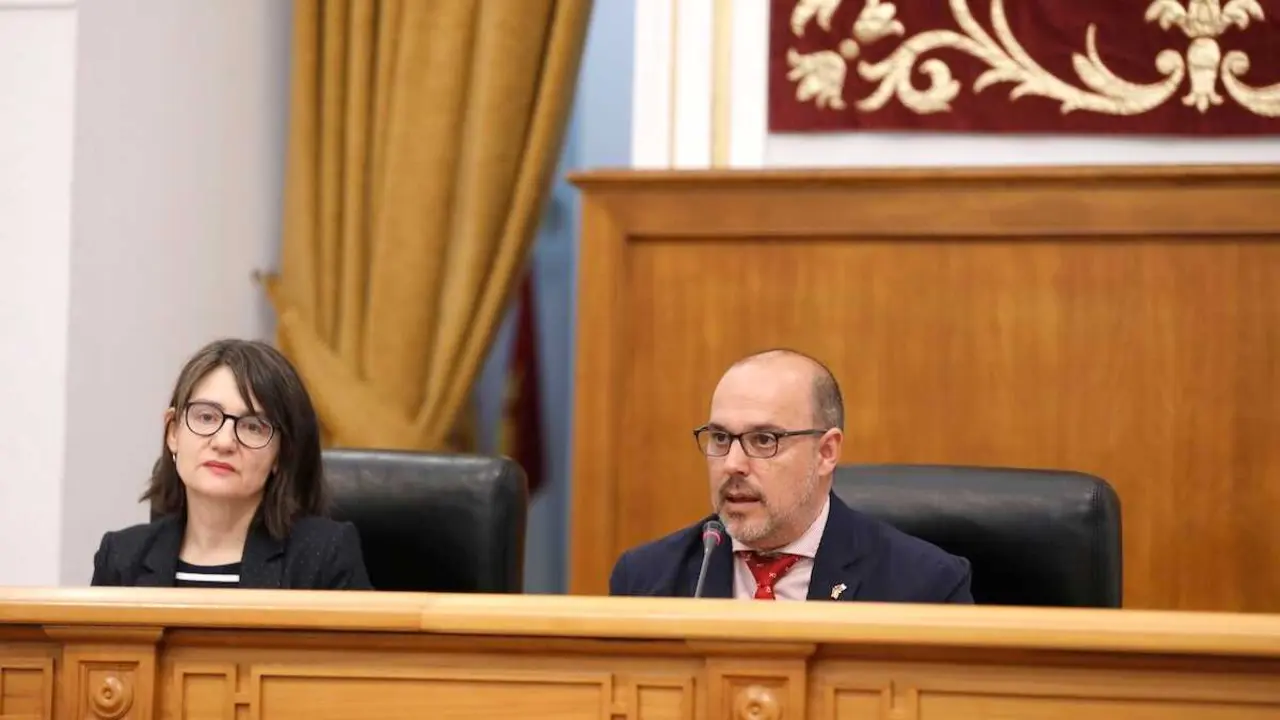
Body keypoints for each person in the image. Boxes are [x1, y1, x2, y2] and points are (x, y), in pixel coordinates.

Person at [608, 349, 972, 602]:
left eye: (764, 440)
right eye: (720, 437)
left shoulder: (923, 584)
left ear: (826, 452)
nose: (733, 463)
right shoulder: (646, 578)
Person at [91, 338, 372, 590]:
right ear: (173, 432)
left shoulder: (323, 557)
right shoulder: (120, 558)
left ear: (281, 454)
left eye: (253, 426)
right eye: (206, 417)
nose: (224, 442)